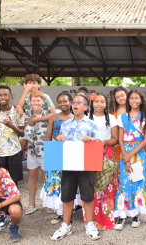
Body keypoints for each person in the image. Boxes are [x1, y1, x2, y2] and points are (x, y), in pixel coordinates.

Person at [50, 93, 102, 241]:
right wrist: (58, 138)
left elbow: (99, 143)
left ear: (86, 107)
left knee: (88, 195)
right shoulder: (65, 124)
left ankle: (90, 225)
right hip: (69, 165)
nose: (75, 105)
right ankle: (66, 225)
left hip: (86, 165)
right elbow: (59, 142)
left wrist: (92, 139)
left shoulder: (91, 124)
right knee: (67, 196)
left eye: (79, 102)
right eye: (74, 102)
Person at [114, 89, 146, 230]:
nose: (134, 101)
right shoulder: (122, 117)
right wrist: (126, 156)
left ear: (141, 100)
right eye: (131, 98)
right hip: (125, 153)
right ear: (128, 101)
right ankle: (122, 215)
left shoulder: (145, 117)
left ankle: (136, 214)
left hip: (140, 153)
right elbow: (120, 138)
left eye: (137, 98)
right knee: (124, 183)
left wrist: (131, 155)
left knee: (139, 183)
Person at [0, 85, 25, 229]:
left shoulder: (17, 112)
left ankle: (14, 209)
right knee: (0, 183)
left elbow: (22, 134)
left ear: (11, 97)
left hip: (14, 152)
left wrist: (12, 126)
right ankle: (2, 213)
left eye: (5, 95)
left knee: (14, 182)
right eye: (0, 95)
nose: (2, 97)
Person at [42, 92, 74, 224]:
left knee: (69, 181)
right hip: (55, 150)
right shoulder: (53, 117)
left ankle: (70, 211)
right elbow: (48, 136)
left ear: (71, 102)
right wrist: (50, 154)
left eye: (65, 101)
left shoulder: (75, 117)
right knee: (56, 182)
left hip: (71, 152)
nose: (62, 104)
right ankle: (59, 212)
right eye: (59, 102)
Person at [88, 92, 119, 229]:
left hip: (106, 152)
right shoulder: (86, 117)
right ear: (92, 103)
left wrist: (101, 142)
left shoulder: (111, 118)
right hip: (89, 152)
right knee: (91, 184)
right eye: (96, 102)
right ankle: (91, 218)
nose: (99, 104)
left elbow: (115, 138)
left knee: (107, 184)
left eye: (102, 101)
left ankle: (108, 216)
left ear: (106, 104)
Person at [24, 91, 49, 215]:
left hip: (46, 152)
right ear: (30, 102)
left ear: (43, 102)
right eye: (34, 100)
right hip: (32, 151)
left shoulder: (49, 115)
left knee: (47, 178)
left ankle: (48, 203)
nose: (36, 103)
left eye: (38, 100)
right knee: (32, 177)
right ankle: (31, 204)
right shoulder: (26, 116)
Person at [17, 74, 55, 152]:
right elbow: (19, 107)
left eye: (34, 83)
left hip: (43, 128)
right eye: (29, 83)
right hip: (29, 127)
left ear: (39, 85)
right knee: (19, 147)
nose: (32, 85)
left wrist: (37, 119)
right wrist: (25, 91)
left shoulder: (45, 97)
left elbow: (54, 114)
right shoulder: (25, 96)